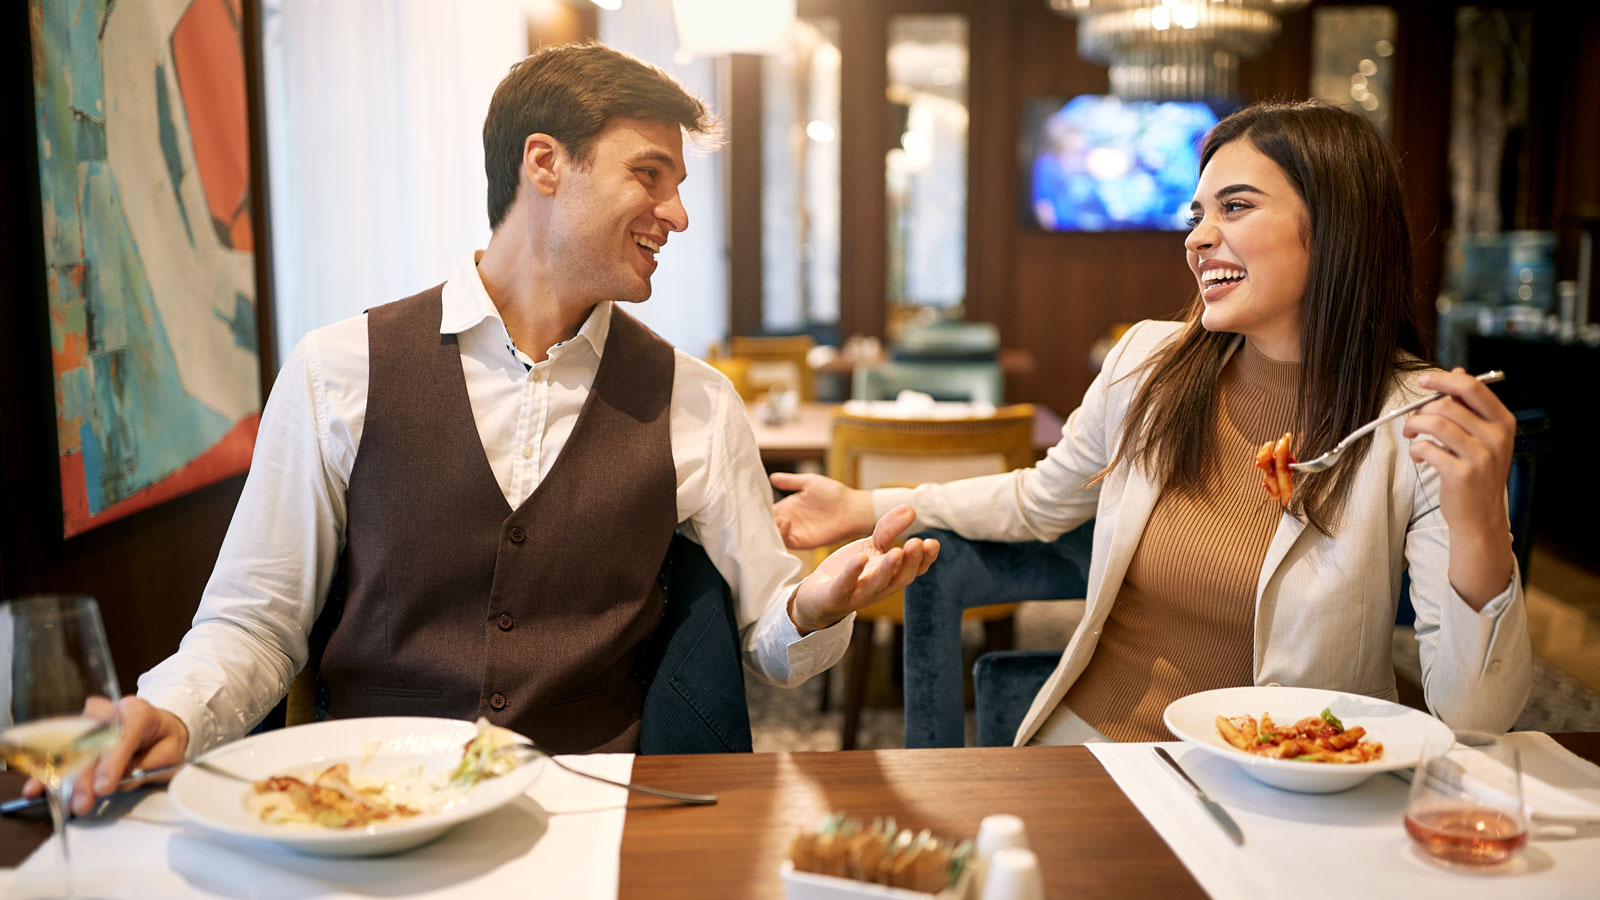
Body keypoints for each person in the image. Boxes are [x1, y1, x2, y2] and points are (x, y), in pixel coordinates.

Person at [45, 41, 939, 814]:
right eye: (649, 175)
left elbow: (772, 643)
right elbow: (256, 621)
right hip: (366, 804)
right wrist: (169, 709)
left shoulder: (695, 400)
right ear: (544, 163)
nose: (678, 214)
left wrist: (816, 605)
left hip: (596, 813)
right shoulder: (336, 370)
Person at [774, 100, 1531, 746]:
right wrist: (863, 506)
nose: (1197, 238)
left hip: (1287, 776)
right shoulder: (1148, 362)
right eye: (1196, 214)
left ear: (1337, 226)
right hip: (1096, 746)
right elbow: (1041, 499)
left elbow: (1480, 719)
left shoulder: (1413, 425)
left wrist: (1479, 527)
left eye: (1234, 207)